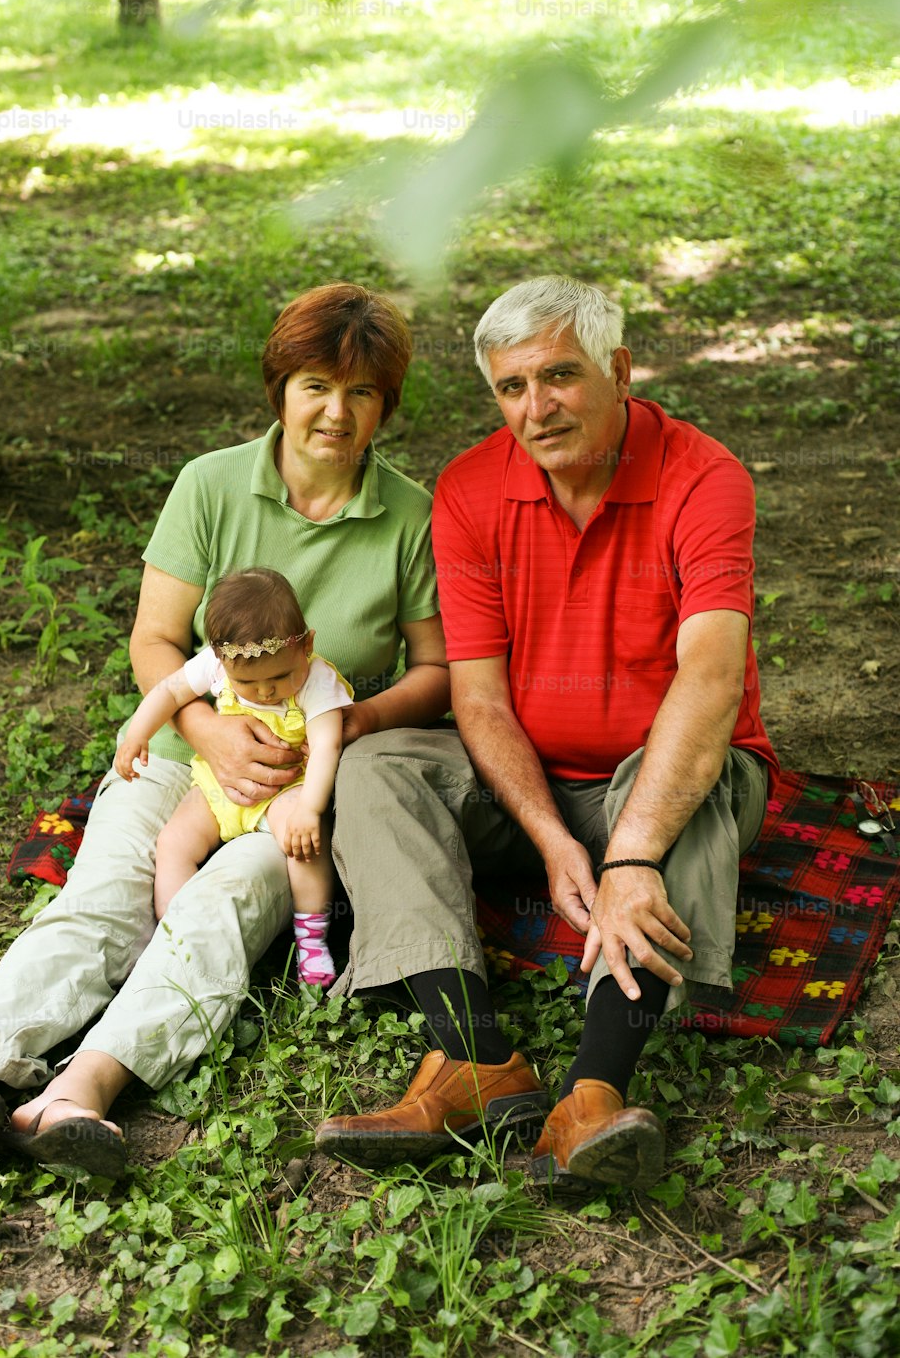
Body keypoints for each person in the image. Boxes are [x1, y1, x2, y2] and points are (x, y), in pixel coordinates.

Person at [0, 283, 452, 1178]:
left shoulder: (410, 516)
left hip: (295, 795)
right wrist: (207, 732)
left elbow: (438, 673)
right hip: (178, 762)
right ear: (280, 387)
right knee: (105, 893)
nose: (336, 411)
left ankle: (83, 1093)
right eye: (316, 384)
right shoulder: (210, 483)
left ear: (386, 405)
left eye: (362, 393)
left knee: (221, 905)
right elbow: (155, 640)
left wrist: (340, 728)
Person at [315, 275, 776, 1191]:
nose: (537, 407)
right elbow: (478, 698)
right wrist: (553, 839)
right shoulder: (471, 488)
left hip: (663, 778)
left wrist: (630, 854)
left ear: (620, 369)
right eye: (512, 387)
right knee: (375, 766)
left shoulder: (704, 477)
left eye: (559, 376)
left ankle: (591, 1098)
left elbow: (713, 678)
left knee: (697, 782)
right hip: (531, 778)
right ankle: (474, 1062)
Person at [114, 567, 354, 987]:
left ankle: (312, 940)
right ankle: (174, 933)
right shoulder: (217, 663)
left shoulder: (317, 680)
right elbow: (170, 691)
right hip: (221, 785)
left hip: (287, 788)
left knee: (304, 847)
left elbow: (327, 745)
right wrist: (138, 730)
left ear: (307, 645)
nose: (264, 692)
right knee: (173, 842)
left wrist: (310, 808)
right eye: (247, 682)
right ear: (221, 660)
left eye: (280, 677)